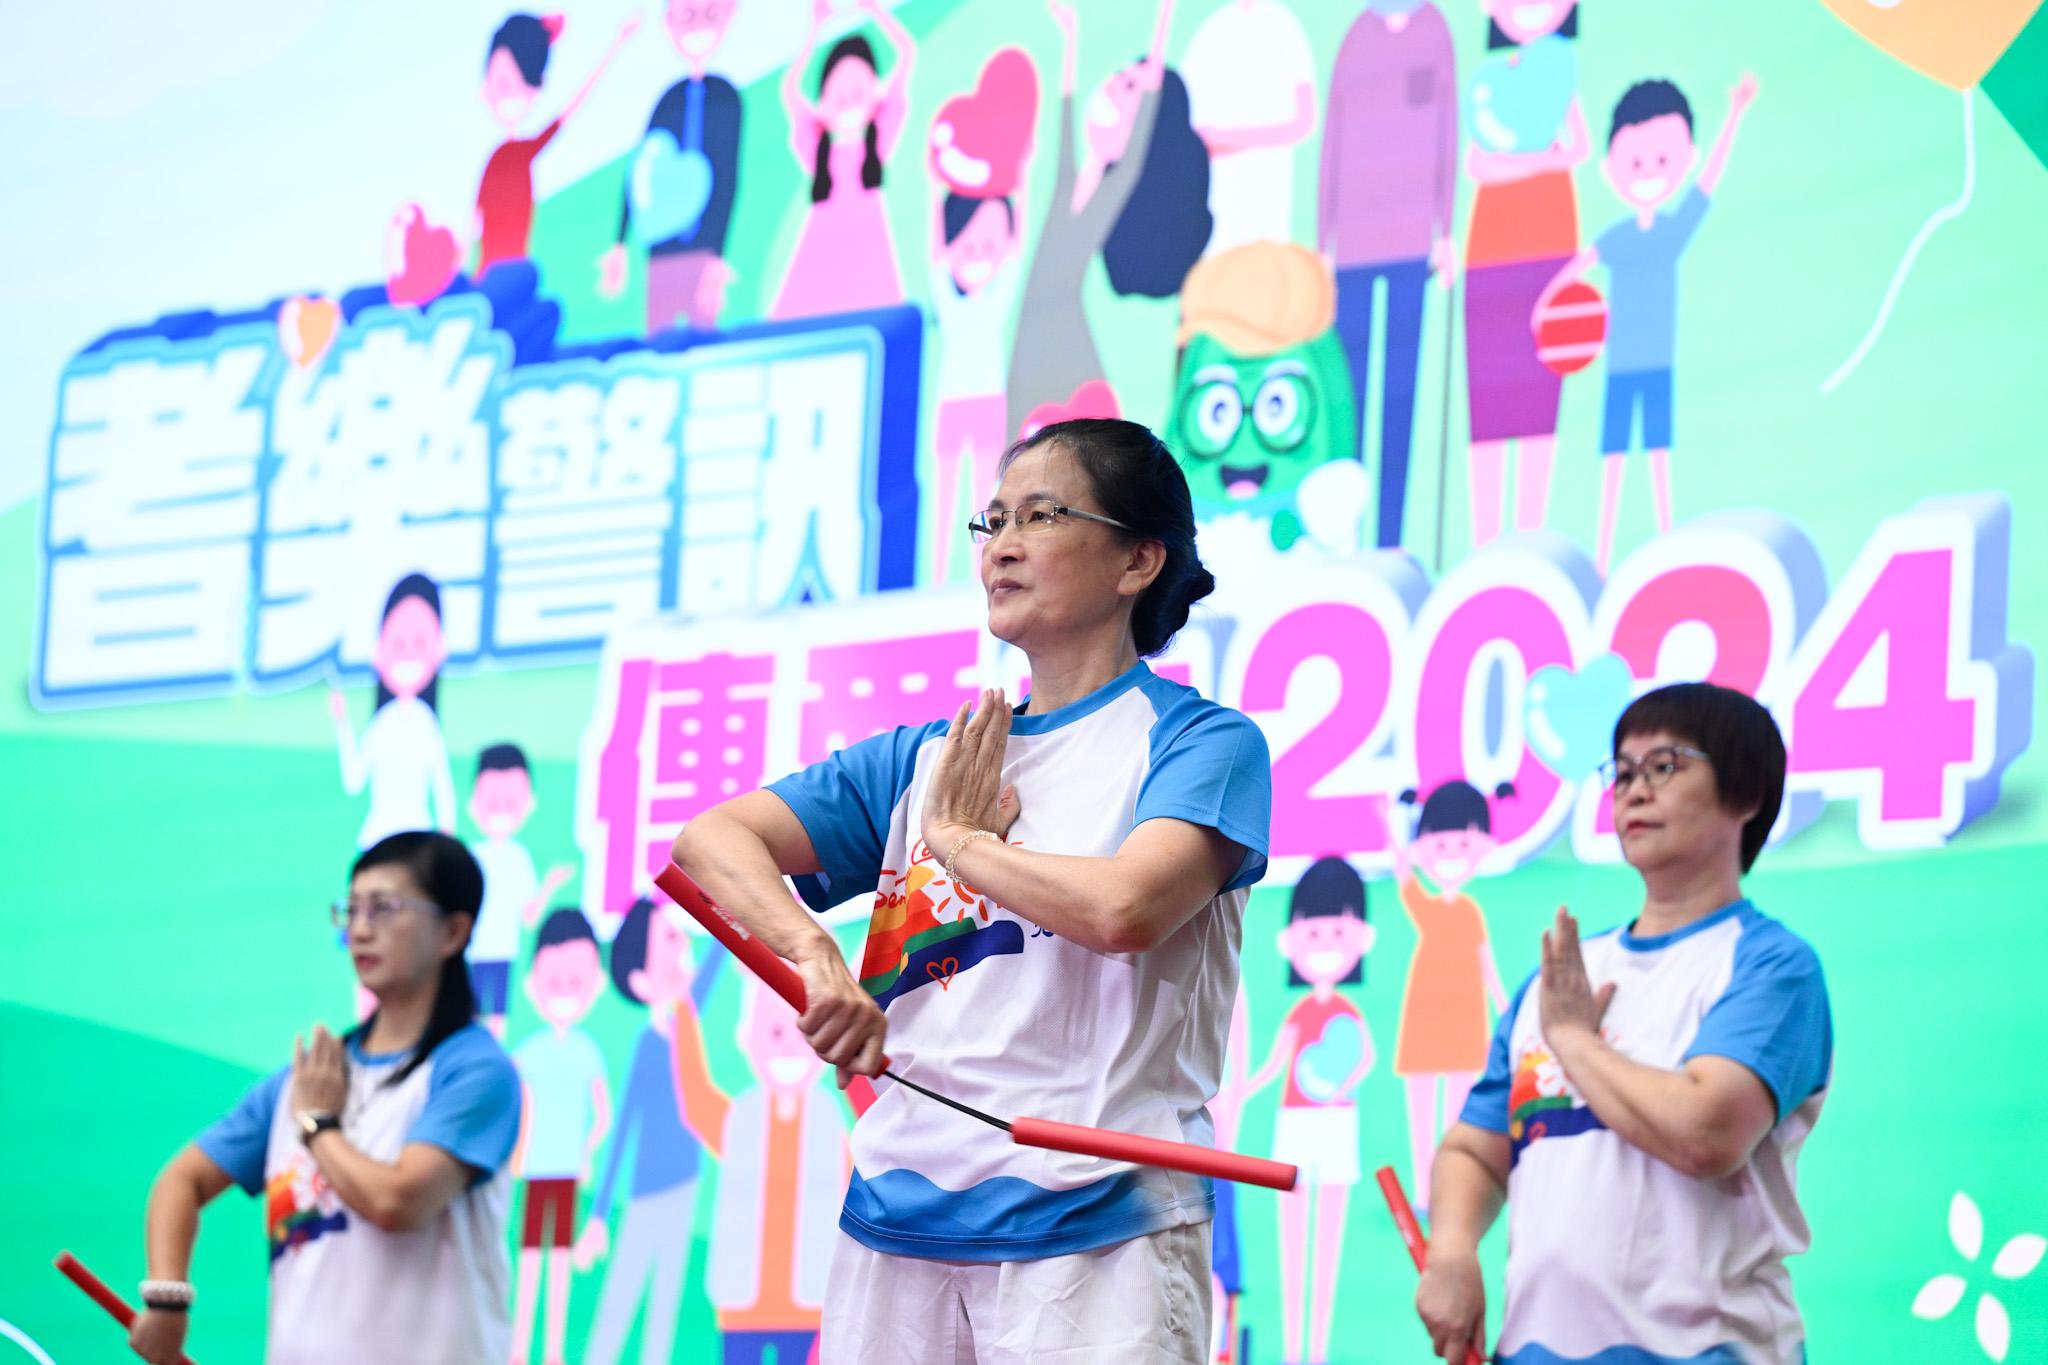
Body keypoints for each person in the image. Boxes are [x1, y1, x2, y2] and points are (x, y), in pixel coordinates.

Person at [671, 417, 1272, 1362]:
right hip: (896, 1221)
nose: (1003, 545)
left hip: (1097, 1228)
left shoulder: (1202, 742)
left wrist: (957, 844)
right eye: (992, 520)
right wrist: (819, 957)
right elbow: (711, 838)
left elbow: (1127, 908)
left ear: (1137, 561)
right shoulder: (924, 756)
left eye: (1041, 514)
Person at [1416, 683, 1832, 1363]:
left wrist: (1575, 1040)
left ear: (1748, 793)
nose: (1635, 790)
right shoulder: (1558, 981)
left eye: (1666, 765)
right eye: (1623, 771)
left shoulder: (1771, 966)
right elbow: (1473, 1150)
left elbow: (1709, 1130)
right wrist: (1454, 1248)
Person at [127, 832, 520, 1365]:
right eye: (351, 910)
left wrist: (318, 1125)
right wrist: (167, 1299)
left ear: (453, 932)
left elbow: (397, 1202)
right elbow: (182, 1180)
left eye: (384, 908)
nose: (360, 929)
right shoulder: (308, 1077)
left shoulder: (474, 1070)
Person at [1534, 75, 1759, 572]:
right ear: (1610, 168)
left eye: (1662, 161)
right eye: (1635, 162)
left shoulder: (1671, 233)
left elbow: (1706, 186)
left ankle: (1665, 541)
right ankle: (1604, 552)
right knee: (1613, 461)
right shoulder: (1618, 238)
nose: (1649, 174)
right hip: (1620, 367)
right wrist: (1545, 302)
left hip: (1656, 364)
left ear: (1685, 157)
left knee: (1657, 455)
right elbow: (1581, 262)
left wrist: (1736, 114)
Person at [1006, 0, 1196, 438]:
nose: (1116, 86)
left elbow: (1147, 119)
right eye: (1120, 77)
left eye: (1132, 87)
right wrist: (1071, 36)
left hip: (1066, 334)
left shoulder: (1117, 182)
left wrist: (1164, 19)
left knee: (1085, 441)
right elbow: (1066, 108)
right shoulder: (1067, 177)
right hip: (1030, 328)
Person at [1318, 0, 1458, 549]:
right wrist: (1324, 242)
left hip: (1411, 242)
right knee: (1350, 394)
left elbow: (1447, 131)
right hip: (1352, 244)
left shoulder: (1434, 30)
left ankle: (1392, 539)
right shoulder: (1356, 37)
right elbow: (1333, 136)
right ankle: (1345, 534)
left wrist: (1445, 230)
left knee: (1399, 393)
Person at [1239, 856, 1375, 1365]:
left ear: (1360, 938)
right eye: (1312, 934)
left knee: (1330, 1236)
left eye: (1335, 932)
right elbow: (1275, 1064)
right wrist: (1243, 1091)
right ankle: (1292, 1349)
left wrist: (1338, 1079)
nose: (1323, 947)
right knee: (1292, 1238)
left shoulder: (1351, 1012)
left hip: (1337, 1123)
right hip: (1294, 1124)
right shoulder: (1298, 1011)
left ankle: (1319, 1349)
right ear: (1290, 940)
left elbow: (1364, 1059)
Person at [1460, 0, 1586, 547]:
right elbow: (1477, 164)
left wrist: (1518, 164)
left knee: (1541, 392)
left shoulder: (1559, 76)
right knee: (1487, 402)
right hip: (1488, 249)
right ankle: (1486, 539)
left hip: (1552, 243)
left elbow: (1578, 148)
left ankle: (1531, 533)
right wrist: (1543, 158)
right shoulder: (1487, 85)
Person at [580, 897, 725, 1365]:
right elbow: (622, 1133)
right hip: (644, 1196)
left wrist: (732, 911)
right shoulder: (648, 1045)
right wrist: (599, 1216)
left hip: (684, 1191)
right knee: (620, 1299)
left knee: (665, 1307)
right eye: (668, 939)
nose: (682, 943)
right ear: (641, 980)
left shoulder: (686, 1023)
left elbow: (716, 959)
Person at [1384, 779, 1513, 1212]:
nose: (1452, 856)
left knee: (1460, 1113)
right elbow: (1404, 879)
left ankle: (1452, 1192)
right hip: (1424, 1017)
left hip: (1465, 1020)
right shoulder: (1428, 907)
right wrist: (1389, 826)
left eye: (1463, 844)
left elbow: (1487, 964)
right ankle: (1423, 1192)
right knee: (1421, 1112)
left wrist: (1506, 1010)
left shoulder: (1471, 912)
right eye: (1441, 845)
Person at [600, 0, 744, 333]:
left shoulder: (727, 97)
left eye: (709, 15)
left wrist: (718, 256)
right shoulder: (667, 100)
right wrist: (621, 242)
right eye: (686, 16)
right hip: (660, 256)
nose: (697, 27)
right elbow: (639, 173)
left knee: (704, 345)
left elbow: (727, 179)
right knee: (657, 351)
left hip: (703, 250)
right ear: (669, 23)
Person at [508, 908, 612, 1365]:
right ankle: (517, 1350)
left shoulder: (589, 1051)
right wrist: (516, 1155)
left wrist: (586, 1152)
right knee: (530, 1260)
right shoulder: (527, 1053)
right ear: (532, 984)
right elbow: (517, 1111)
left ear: (597, 985)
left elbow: (603, 1115)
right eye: (555, 983)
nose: (566, 994)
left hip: (567, 1172)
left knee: (558, 1263)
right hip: (534, 1171)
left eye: (577, 982)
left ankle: (552, 1353)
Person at [771, 0, 917, 320]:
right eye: (839, 97)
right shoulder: (818, 151)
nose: (849, 105)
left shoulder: (878, 141)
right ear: (822, 104)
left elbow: (906, 54)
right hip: (820, 255)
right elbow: (790, 89)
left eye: (858, 94)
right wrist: (814, 29)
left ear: (875, 96)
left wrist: (875, 11)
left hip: (868, 256)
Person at [474, 11, 639, 276]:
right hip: (485, 273)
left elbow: (570, 108)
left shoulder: (521, 154)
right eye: (493, 81)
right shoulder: (496, 158)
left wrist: (616, 45)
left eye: (505, 83)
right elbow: (475, 217)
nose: (492, 93)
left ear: (533, 88)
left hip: (511, 272)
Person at [329, 573, 457, 850]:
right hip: (376, 841)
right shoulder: (382, 723)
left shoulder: (426, 722)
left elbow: (443, 785)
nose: (409, 654)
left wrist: (447, 843)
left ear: (440, 648)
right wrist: (342, 723)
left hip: (417, 844)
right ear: (379, 651)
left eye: (420, 643)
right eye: (398, 644)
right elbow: (354, 781)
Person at [1179, 0, 1317, 253]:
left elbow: (1304, 123)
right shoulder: (1210, 32)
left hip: (1265, 199)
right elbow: (1185, 127)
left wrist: (1228, 139)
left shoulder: (1283, 27)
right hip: (1212, 206)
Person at [466, 742, 573, 1037]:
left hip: (504, 949)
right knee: (470, 1016)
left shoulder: (519, 858)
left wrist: (550, 884)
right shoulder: (471, 856)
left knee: (498, 1015)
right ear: (474, 803)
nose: (501, 811)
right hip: (473, 950)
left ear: (528, 803)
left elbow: (529, 917)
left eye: (510, 802)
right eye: (492, 802)